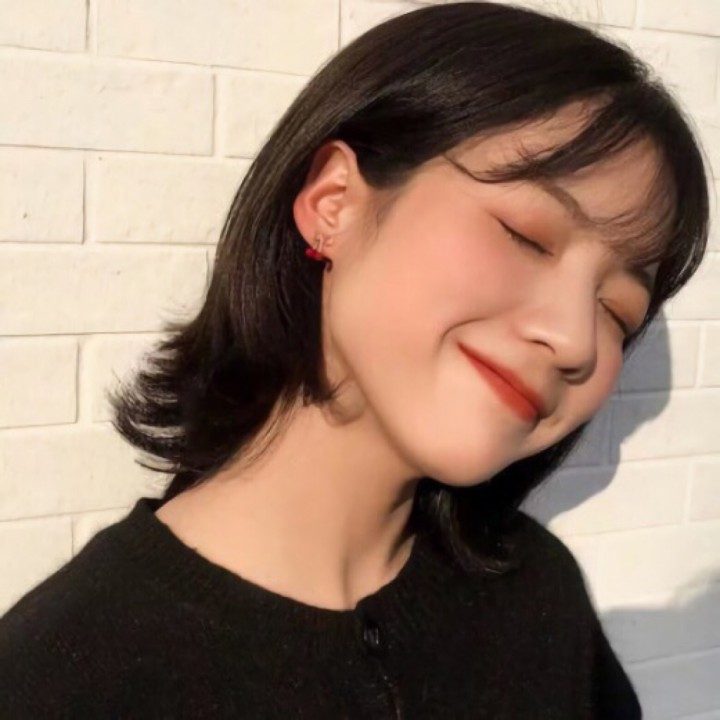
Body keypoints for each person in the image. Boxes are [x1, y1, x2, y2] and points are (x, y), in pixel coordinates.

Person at [0, 2, 711, 718]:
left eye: (617, 310)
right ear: (333, 202)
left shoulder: (541, 603)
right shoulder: (64, 680)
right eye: (526, 235)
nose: (576, 339)